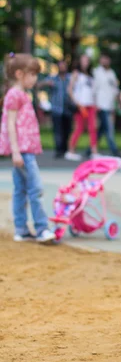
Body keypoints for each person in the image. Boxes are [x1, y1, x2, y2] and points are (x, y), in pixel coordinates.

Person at [0, 53, 56, 243]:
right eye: (32, 74)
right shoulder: (14, 95)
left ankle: (21, 229)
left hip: (25, 150)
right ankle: (41, 229)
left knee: (21, 189)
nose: (35, 79)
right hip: (22, 151)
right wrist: (15, 151)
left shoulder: (20, 94)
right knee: (35, 188)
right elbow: (10, 124)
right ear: (19, 74)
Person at [65, 54, 99, 161]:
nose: (85, 63)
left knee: (92, 128)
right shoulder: (76, 74)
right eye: (83, 60)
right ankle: (70, 150)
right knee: (78, 128)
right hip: (81, 105)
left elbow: (93, 92)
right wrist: (77, 102)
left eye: (87, 60)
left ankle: (94, 152)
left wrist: (95, 103)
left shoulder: (91, 75)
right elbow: (69, 90)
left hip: (91, 105)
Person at [37, 60, 73, 158]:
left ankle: (65, 149)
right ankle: (59, 150)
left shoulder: (70, 78)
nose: (62, 68)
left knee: (67, 131)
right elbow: (39, 85)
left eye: (63, 66)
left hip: (68, 109)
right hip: (56, 109)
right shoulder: (53, 78)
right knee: (57, 131)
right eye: (60, 66)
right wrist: (47, 83)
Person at [93, 54, 121, 157]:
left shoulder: (111, 73)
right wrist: (96, 104)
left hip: (110, 105)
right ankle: (114, 150)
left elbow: (115, 89)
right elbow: (94, 90)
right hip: (101, 105)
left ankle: (90, 149)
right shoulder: (97, 72)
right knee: (109, 128)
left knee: (102, 129)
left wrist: (116, 104)